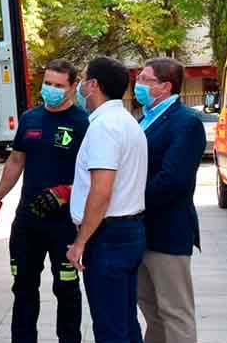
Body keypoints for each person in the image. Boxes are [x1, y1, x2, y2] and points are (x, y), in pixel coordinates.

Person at [0, 59, 88, 343]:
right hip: (28, 223)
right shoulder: (30, 119)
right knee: (23, 289)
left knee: (67, 290)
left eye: (58, 85)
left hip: (65, 226)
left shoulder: (83, 123)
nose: (51, 90)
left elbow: (94, 174)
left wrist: (66, 192)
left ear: (72, 87)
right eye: (47, 83)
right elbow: (16, 161)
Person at [67, 56, 148, 343]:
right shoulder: (127, 121)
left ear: (93, 85)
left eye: (84, 80)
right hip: (128, 232)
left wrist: (80, 242)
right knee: (125, 321)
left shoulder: (104, 127)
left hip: (108, 237)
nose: (80, 87)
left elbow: (101, 191)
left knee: (110, 328)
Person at [133, 58, 205, 343]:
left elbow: (173, 180)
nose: (137, 84)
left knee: (175, 313)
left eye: (144, 79)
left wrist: (131, 201)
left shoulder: (186, 122)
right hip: (141, 230)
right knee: (152, 312)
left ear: (165, 86)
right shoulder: (146, 118)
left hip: (168, 232)